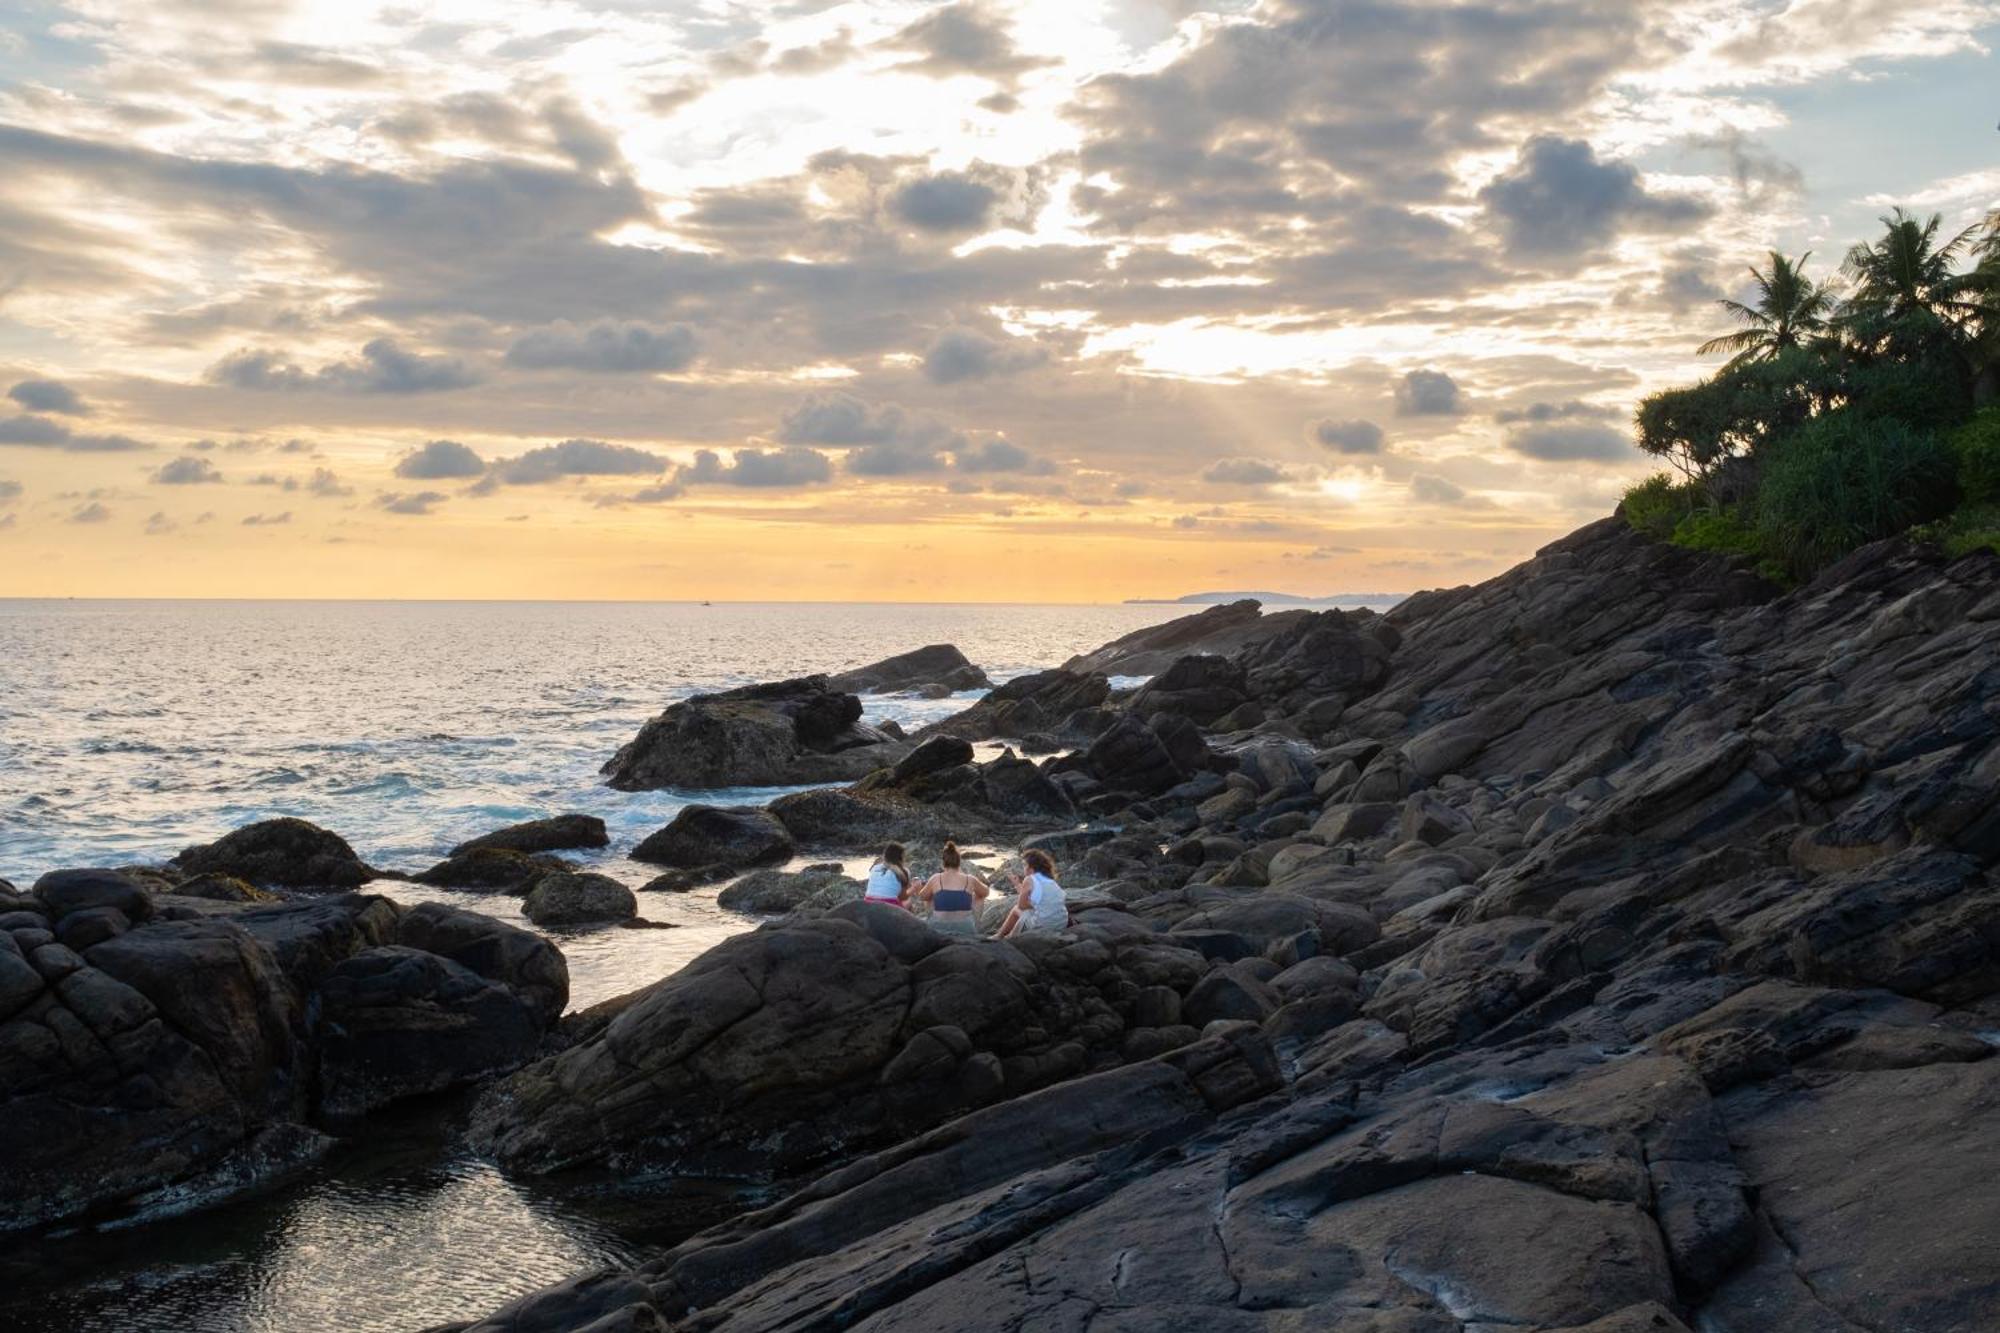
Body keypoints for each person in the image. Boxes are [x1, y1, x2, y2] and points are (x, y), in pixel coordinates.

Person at [915, 840, 989, 936]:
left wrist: (918, 888)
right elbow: (986, 893)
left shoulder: (936, 878)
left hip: (938, 928)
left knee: (929, 898)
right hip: (965, 928)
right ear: (959, 862)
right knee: (980, 896)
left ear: (943, 863)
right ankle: (974, 930)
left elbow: (922, 897)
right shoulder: (969, 879)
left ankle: (934, 927)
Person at [997, 848, 1066, 937]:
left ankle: (1000, 936)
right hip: (1061, 923)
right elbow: (1036, 900)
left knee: (1016, 909)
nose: (1023, 868)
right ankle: (1011, 934)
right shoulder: (1049, 879)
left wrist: (1032, 904)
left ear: (1031, 867)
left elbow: (1021, 906)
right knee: (1029, 910)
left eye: (1024, 865)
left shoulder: (1029, 879)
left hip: (1045, 925)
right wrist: (1017, 884)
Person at [863, 842, 911, 909]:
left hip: (868, 901)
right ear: (901, 857)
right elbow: (903, 897)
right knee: (908, 902)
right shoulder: (903, 871)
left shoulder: (875, 868)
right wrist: (913, 889)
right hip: (889, 905)